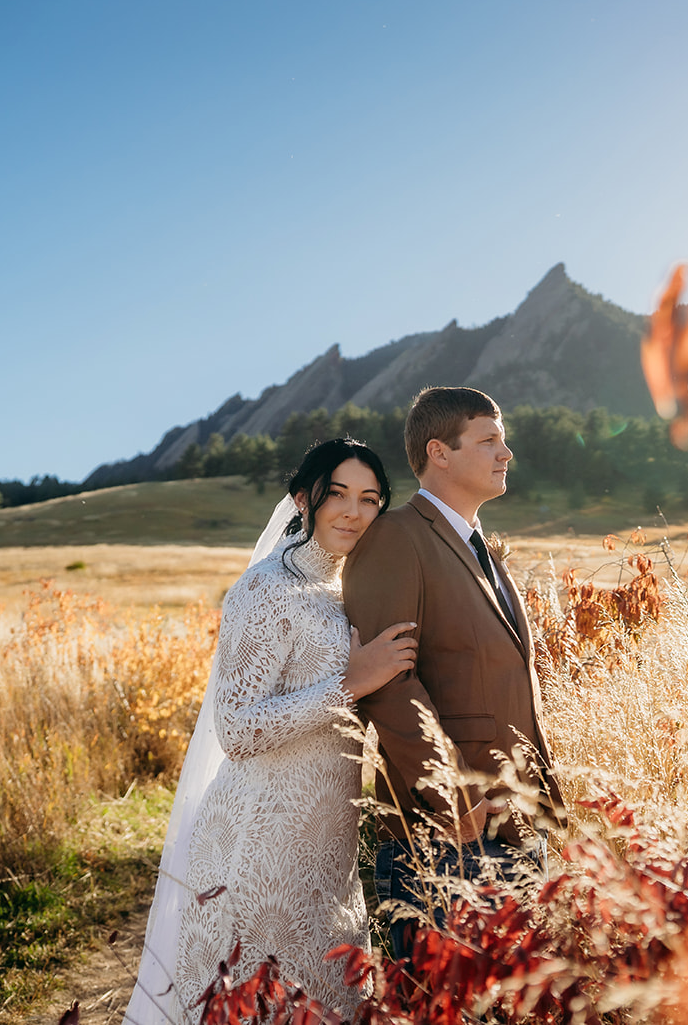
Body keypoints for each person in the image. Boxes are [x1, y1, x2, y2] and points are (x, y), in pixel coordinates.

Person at [123, 438, 418, 1023]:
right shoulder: (265, 590)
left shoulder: (348, 591)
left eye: (369, 499)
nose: (353, 513)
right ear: (303, 499)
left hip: (328, 847)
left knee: (330, 1000)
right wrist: (347, 685)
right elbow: (236, 729)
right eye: (337, 495)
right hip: (259, 842)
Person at [342, 386, 567, 961]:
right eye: (489, 439)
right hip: (444, 833)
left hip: (511, 820)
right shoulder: (396, 536)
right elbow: (389, 684)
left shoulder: (479, 547)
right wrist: (454, 794)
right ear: (439, 452)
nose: (506, 452)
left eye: (503, 439)